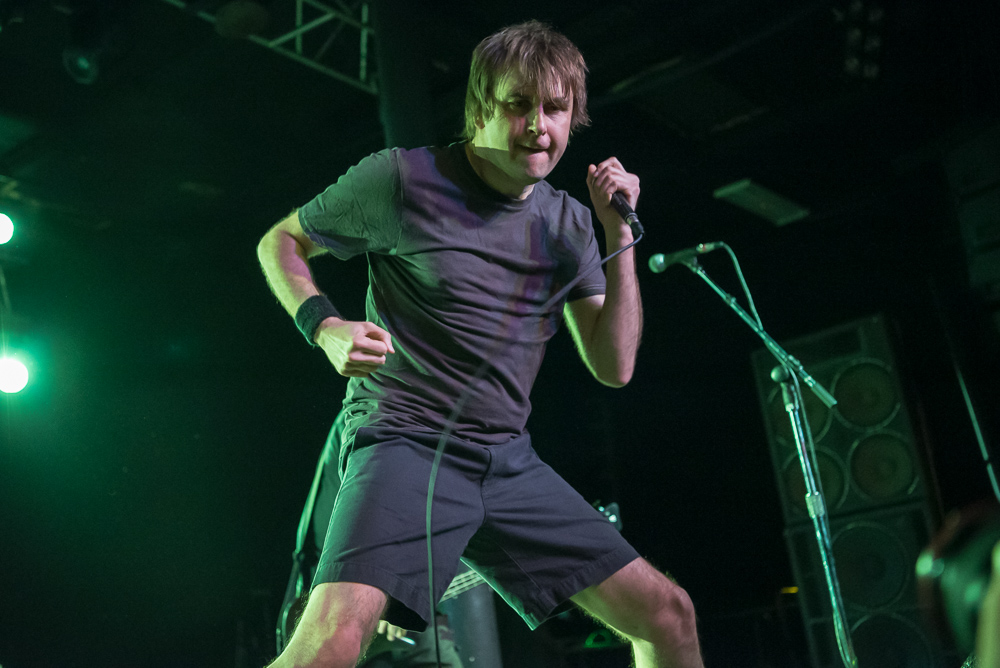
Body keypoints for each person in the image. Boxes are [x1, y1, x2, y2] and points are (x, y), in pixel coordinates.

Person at [257, 19, 703, 668]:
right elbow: (282, 241)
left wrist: (616, 238)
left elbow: (614, 366)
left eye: (555, 109)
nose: (537, 127)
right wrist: (325, 327)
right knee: (330, 643)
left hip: (505, 461)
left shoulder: (568, 224)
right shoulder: (400, 181)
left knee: (668, 616)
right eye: (519, 105)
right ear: (480, 109)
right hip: (406, 439)